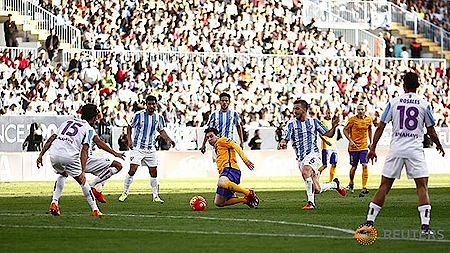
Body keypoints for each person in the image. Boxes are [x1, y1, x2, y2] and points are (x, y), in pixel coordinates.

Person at [359, 72, 445, 235]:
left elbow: (381, 126)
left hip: (396, 148)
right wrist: (439, 145)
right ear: (418, 86)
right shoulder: (424, 104)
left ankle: (369, 222)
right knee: (422, 186)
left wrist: (372, 148)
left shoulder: (394, 102)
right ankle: (425, 227)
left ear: (403, 85)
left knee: (384, 185)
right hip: (415, 149)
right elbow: (431, 130)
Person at [35, 104, 105, 216]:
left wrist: (41, 155)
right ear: (93, 118)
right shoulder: (89, 129)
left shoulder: (67, 122)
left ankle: (54, 202)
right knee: (82, 181)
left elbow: (52, 138)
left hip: (54, 153)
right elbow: (85, 150)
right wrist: (82, 171)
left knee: (63, 174)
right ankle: (95, 210)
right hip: (69, 156)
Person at [278, 99, 346, 210]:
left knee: (306, 172)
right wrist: (283, 142)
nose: (294, 111)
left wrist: (333, 127)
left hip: (313, 154)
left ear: (304, 110)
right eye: (294, 109)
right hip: (301, 158)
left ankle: (311, 203)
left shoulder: (314, 122)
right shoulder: (291, 123)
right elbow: (286, 137)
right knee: (317, 189)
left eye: (297, 109)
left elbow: (328, 134)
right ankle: (335, 184)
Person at [118, 95, 176, 203]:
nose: (151, 106)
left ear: (156, 105)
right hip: (138, 147)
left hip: (151, 148)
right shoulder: (138, 115)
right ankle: (125, 192)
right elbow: (130, 126)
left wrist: (169, 139)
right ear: (146, 104)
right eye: (149, 104)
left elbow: (161, 131)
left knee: (153, 172)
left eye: (153, 104)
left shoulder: (159, 117)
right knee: (133, 169)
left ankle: (155, 196)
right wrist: (129, 141)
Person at [204, 127, 259, 208]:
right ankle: (245, 199)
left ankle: (248, 193)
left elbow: (235, 145)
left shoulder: (221, 140)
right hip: (225, 173)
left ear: (217, 136)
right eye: (207, 137)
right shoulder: (217, 147)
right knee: (218, 202)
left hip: (231, 169)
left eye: (211, 136)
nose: (209, 139)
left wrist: (245, 160)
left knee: (221, 182)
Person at [343, 103, 373, 196]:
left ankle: (364, 187)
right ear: (356, 110)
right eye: (358, 109)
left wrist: (371, 142)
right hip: (353, 147)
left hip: (364, 147)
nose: (360, 111)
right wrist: (350, 140)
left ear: (365, 110)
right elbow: (344, 130)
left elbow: (370, 129)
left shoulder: (369, 119)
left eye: (362, 109)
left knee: (364, 165)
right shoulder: (352, 120)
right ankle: (351, 182)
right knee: (354, 167)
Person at [317, 109, 338, 182]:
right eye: (328, 113)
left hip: (333, 147)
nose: (330, 114)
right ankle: (315, 177)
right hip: (326, 147)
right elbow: (320, 134)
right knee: (324, 165)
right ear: (326, 113)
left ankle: (331, 181)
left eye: (331, 113)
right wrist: (326, 141)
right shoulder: (323, 122)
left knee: (334, 164)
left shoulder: (333, 122)